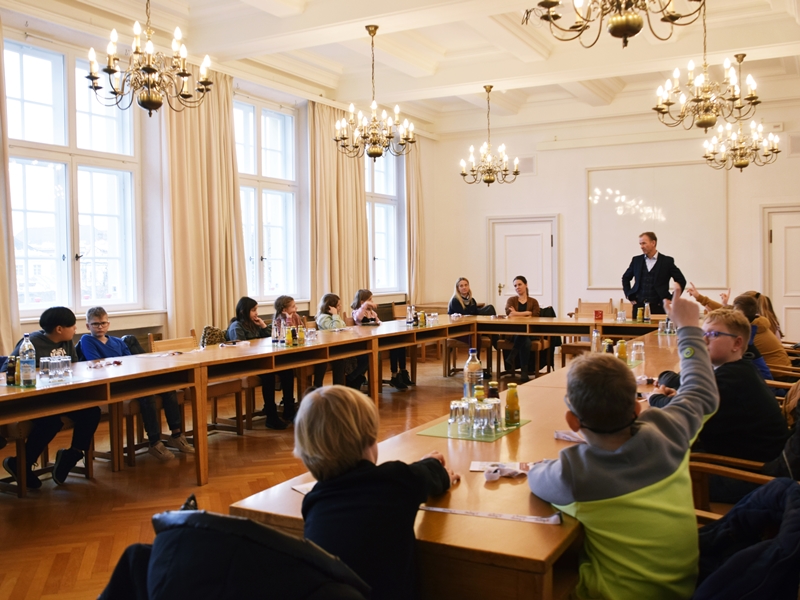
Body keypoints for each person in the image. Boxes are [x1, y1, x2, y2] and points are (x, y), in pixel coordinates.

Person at [528, 285, 719, 600]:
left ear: (572, 421)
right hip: (685, 586)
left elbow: (537, 478)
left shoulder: (575, 472)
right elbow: (702, 392)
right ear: (636, 408)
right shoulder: (669, 429)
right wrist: (688, 328)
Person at [295, 385, 459, 600]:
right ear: (369, 441)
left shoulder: (314, 501)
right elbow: (431, 475)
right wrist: (436, 466)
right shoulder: (395, 482)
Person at [649, 308, 789, 503]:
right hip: (740, 460)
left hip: (748, 475)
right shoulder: (738, 371)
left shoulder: (730, 380)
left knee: (649, 475)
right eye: (702, 334)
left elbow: (679, 417)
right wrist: (681, 394)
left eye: (713, 334)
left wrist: (655, 398)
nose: (704, 340)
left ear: (737, 343)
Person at [1, 307, 101, 488]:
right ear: (59, 329)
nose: (75, 329)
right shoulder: (31, 343)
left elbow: (74, 367)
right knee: (50, 422)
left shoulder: (67, 342)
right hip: (34, 399)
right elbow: (6, 371)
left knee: (91, 411)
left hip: (60, 395)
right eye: (72, 326)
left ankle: (72, 455)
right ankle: (20, 464)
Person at [77, 307, 194, 461]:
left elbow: (131, 361)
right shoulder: (87, 340)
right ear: (88, 326)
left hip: (129, 378)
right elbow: (97, 362)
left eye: (103, 323)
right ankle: (154, 442)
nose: (100, 327)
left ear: (108, 324)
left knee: (168, 389)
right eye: (95, 324)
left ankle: (177, 435)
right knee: (148, 396)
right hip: (111, 383)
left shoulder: (117, 342)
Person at [227, 297, 290, 429]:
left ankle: (289, 410)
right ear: (244, 311)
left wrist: (263, 326)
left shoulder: (254, 324)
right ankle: (271, 415)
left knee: (287, 369)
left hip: (259, 360)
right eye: (253, 310)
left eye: (257, 309)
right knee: (268, 375)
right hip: (245, 364)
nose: (256, 313)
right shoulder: (236, 326)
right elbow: (240, 348)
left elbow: (272, 338)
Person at [351, 289, 410, 390]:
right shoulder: (357, 312)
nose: (372, 302)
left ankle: (398, 373)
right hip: (365, 341)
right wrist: (364, 307)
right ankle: (394, 376)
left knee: (399, 345)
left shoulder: (372, 313)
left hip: (376, 338)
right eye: (370, 300)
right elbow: (358, 318)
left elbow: (379, 322)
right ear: (362, 302)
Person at [621, 231, 686, 316]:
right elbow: (625, 278)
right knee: (637, 329)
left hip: (659, 306)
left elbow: (681, 280)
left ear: (653, 243)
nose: (641, 246)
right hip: (639, 306)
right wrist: (628, 294)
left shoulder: (666, 261)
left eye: (644, 243)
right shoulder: (636, 260)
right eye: (640, 244)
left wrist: (673, 298)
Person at [313, 293, 367, 389]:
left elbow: (342, 327)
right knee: (341, 360)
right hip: (329, 347)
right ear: (330, 307)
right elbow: (335, 328)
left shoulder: (335, 317)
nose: (340, 307)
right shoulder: (323, 318)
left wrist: (336, 316)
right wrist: (335, 315)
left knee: (365, 355)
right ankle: (347, 382)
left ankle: (352, 379)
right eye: (338, 305)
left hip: (339, 345)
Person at [503, 275, 540, 383]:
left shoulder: (533, 301)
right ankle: (524, 372)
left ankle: (512, 355)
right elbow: (509, 314)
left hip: (531, 333)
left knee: (525, 336)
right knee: (524, 339)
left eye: (520, 284)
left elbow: (536, 315)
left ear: (526, 285)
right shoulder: (511, 300)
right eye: (515, 285)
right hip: (514, 333)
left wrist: (517, 314)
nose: (517, 287)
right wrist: (527, 313)